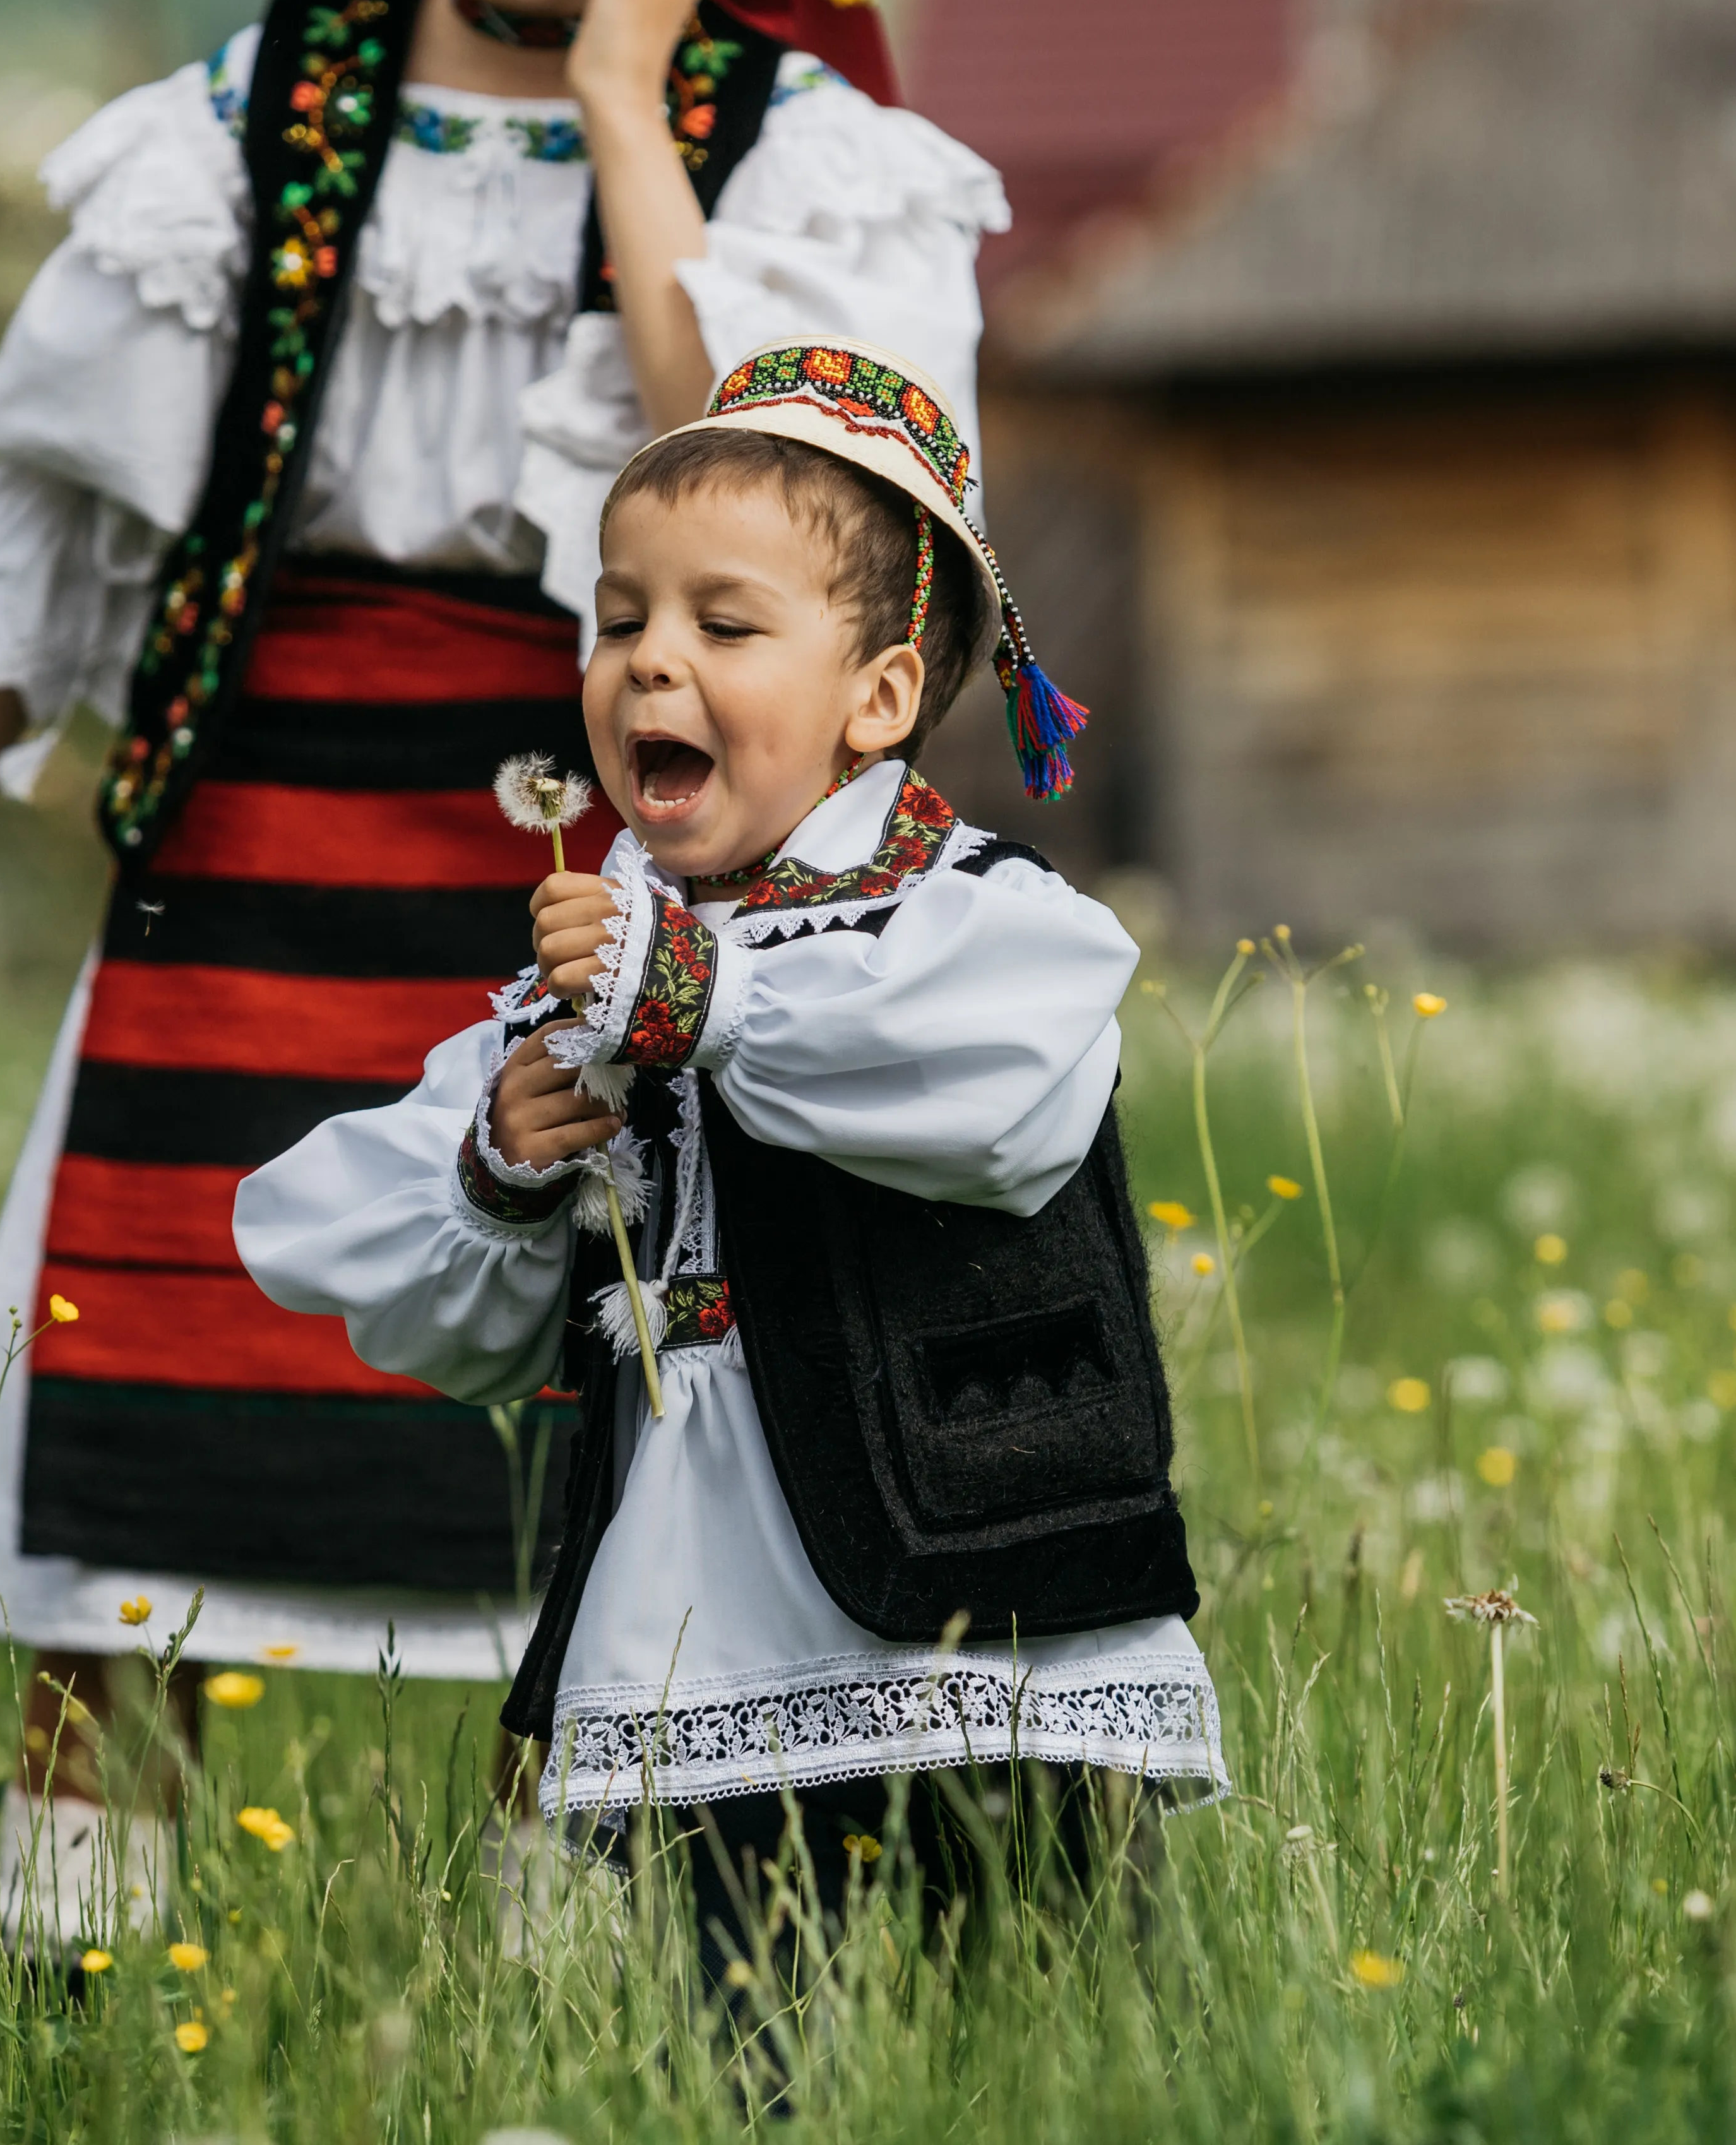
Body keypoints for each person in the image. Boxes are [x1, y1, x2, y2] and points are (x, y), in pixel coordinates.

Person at [0, 0, 1006, 1952]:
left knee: (576, 1397)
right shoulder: (274, 102)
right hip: (247, 821)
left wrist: (621, 112)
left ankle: (545, 1968)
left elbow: (760, 493)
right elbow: (77, 501)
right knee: (147, 1354)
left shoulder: (800, 140)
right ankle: (70, 1947)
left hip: (588, 842)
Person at [235, 341, 1225, 2014]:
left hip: (995, 1618)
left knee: (1060, 2036)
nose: (649, 666)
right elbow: (362, 1249)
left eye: (724, 624)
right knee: (744, 2042)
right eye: (620, 620)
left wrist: (700, 998)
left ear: (881, 696)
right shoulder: (588, 983)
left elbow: (995, 1097)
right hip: (694, 1637)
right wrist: (502, 1171)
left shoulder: (971, 919)